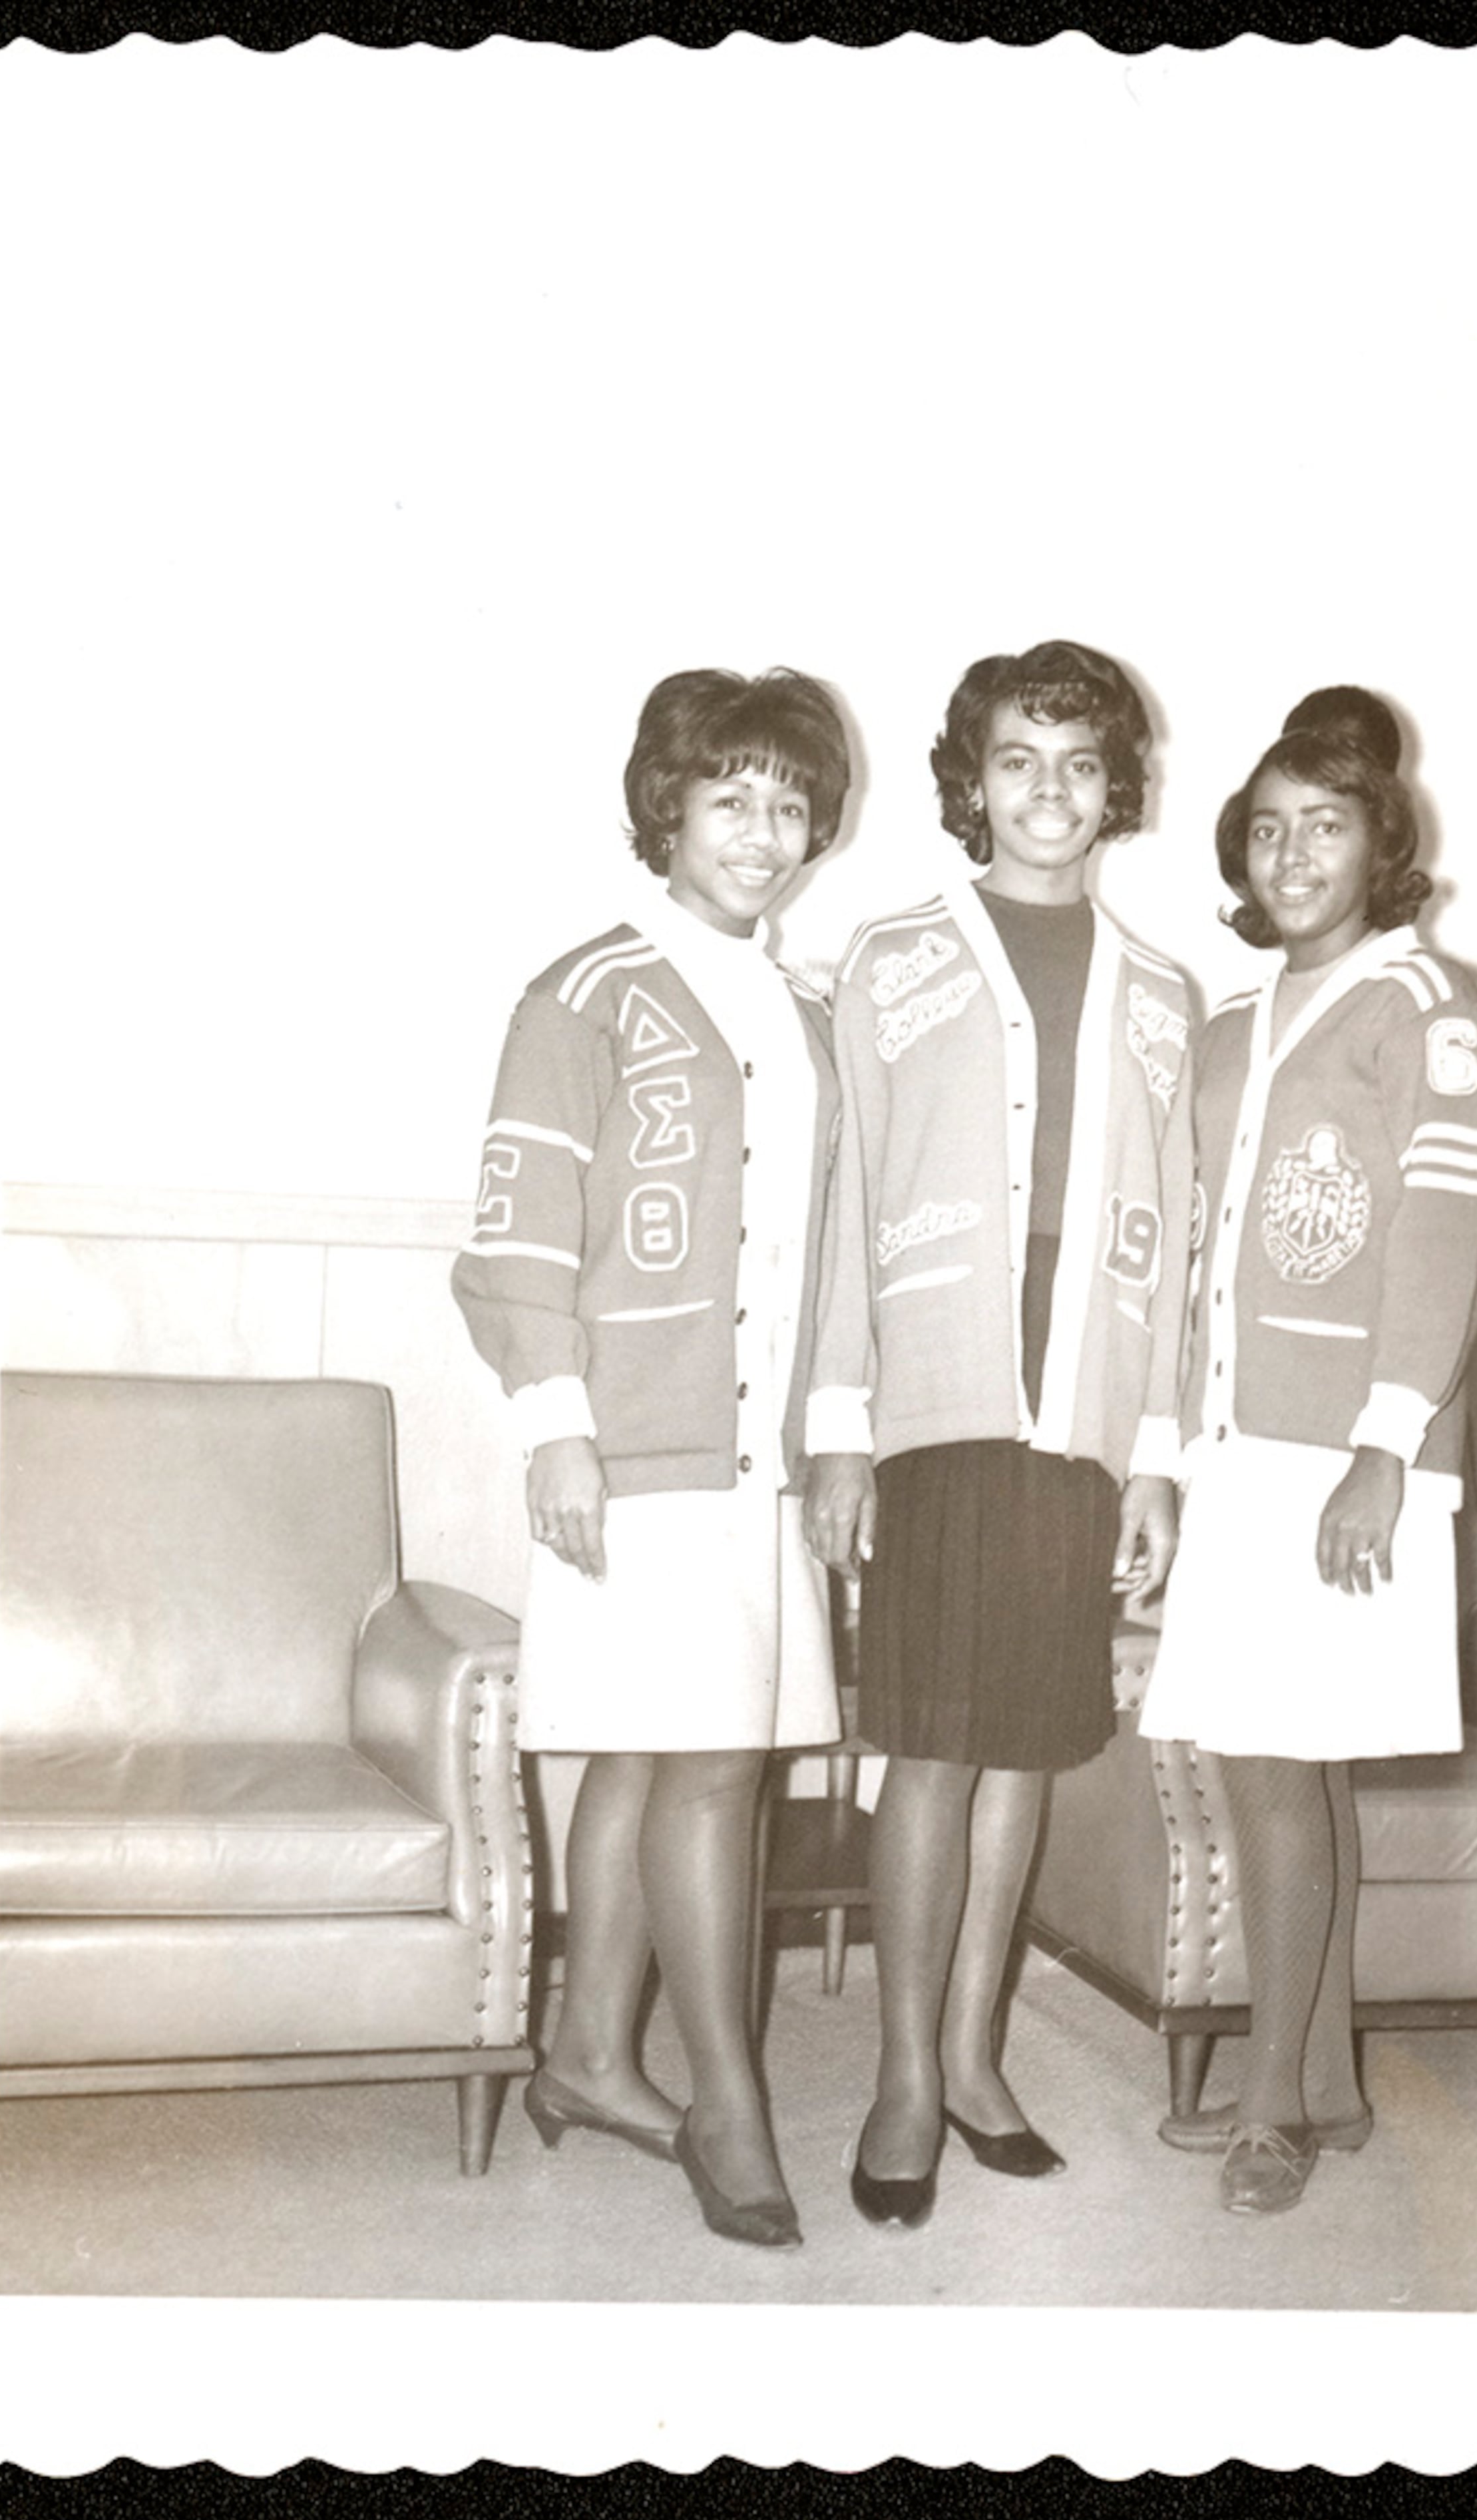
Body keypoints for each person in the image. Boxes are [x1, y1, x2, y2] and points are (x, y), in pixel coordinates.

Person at [453, 667, 854, 2250]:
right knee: (710, 1769)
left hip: (757, 1464)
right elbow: (515, 1237)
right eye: (729, 796)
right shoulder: (585, 992)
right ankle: (730, 2102)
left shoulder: (812, 1015)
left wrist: (837, 1441)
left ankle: (590, 2060)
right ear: (668, 811)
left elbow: (839, 1262)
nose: (761, 831)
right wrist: (555, 1430)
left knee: (644, 1754)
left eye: (788, 801)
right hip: (628, 1449)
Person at [804, 638, 1196, 2230]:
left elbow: (1168, 1246)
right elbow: (845, 1206)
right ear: (975, 781)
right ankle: (903, 2076)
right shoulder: (890, 961)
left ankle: (976, 2061)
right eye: (1021, 760)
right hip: (935, 1410)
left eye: (1082, 763)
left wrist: (1157, 1450)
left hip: (1082, 1422)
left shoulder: (1161, 993)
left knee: (1029, 1742)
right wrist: (840, 1424)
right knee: (934, 1749)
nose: (1052, 791)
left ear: (1118, 788)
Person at [1137, 686, 1477, 2215]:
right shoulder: (1232, 1026)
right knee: (1280, 1773)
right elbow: (1183, 1258)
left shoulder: (1435, 1008)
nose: (1294, 854)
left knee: (1276, 1774)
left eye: (1328, 825)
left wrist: (1385, 1446)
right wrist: (1161, 1453)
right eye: (1270, 828)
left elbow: (1449, 1233)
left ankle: (1274, 2106)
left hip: (1345, 1455)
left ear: (1383, 842)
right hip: (1236, 1451)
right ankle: (1333, 2085)